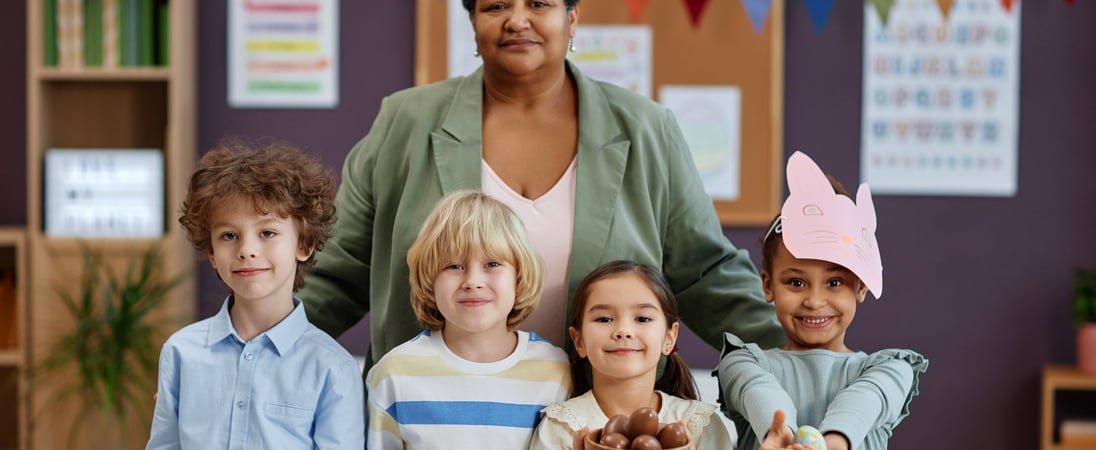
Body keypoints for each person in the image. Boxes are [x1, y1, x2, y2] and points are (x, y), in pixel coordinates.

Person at [300, 0, 783, 374]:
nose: (516, 20)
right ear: (472, 23)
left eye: (539, 4)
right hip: (435, 416)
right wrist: (252, 346)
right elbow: (339, 274)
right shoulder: (404, 122)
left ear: (573, 19)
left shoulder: (646, 128)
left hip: (600, 420)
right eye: (495, 6)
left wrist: (807, 356)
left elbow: (707, 276)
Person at [146, 139, 365, 449]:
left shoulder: (334, 369)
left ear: (303, 245)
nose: (247, 250)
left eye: (267, 233)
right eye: (229, 235)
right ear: (211, 252)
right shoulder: (180, 353)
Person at [716, 151, 928, 450]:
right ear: (768, 285)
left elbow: (863, 401)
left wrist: (833, 443)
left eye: (834, 283)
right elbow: (759, 392)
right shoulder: (742, 362)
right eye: (796, 282)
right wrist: (782, 436)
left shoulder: (892, 369)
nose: (815, 301)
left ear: (861, 287)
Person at [365, 190, 571, 449]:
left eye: (492, 264)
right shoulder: (393, 374)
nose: (473, 281)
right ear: (430, 279)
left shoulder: (555, 371)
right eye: (454, 266)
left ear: (519, 276)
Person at [529, 260, 735, 450]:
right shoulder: (562, 427)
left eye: (643, 319)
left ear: (669, 338)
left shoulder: (698, 425)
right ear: (578, 341)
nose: (623, 330)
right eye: (603, 319)